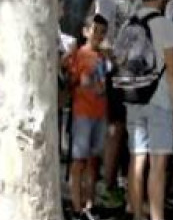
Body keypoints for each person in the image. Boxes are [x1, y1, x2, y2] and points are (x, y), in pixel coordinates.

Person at [124, 0, 173, 220]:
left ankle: (138, 215)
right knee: (158, 165)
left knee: (137, 161)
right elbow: (172, 71)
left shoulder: (129, 25)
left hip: (134, 100)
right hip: (160, 101)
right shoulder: (167, 26)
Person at [96, 0, 146, 207]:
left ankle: (129, 186)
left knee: (133, 128)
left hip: (139, 71)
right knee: (116, 128)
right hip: (119, 72)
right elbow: (101, 39)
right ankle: (109, 182)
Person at [66, 15, 109, 220]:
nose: (98, 35)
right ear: (85, 31)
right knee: (79, 161)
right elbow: (76, 80)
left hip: (99, 112)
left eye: (102, 31)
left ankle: (89, 204)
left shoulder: (103, 57)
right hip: (83, 112)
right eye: (95, 30)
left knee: (93, 161)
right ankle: (76, 206)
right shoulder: (80, 54)